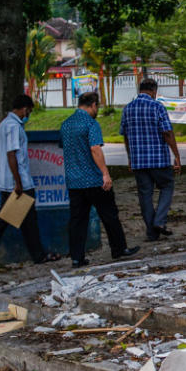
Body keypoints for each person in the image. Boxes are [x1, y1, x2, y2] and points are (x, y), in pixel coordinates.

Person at [0, 94, 60, 266]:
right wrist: (18, 182)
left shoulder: (5, 123)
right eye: (29, 111)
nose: (29, 115)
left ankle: (37, 254)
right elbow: (11, 154)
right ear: (25, 108)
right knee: (8, 219)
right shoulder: (13, 126)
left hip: (10, 180)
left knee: (24, 219)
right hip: (18, 182)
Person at [61, 92, 139, 267]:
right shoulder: (91, 123)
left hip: (74, 181)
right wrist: (105, 173)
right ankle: (119, 248)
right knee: (109, 215)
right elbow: (95, 149)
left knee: (77, 220)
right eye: (97, 106)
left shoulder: (65, 125)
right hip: (93, 179)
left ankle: (76, 257)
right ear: (93, 105)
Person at [119, 79, 181, 241]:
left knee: (145, 196)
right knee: (167, 186)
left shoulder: (128, 109)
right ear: (153, 91)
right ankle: (159, 221)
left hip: (139, 161)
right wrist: (176, 155)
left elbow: (125, 136)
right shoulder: (157, 107)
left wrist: (130, 158)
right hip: (159, 160)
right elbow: (167, 133)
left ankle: (151, 233)